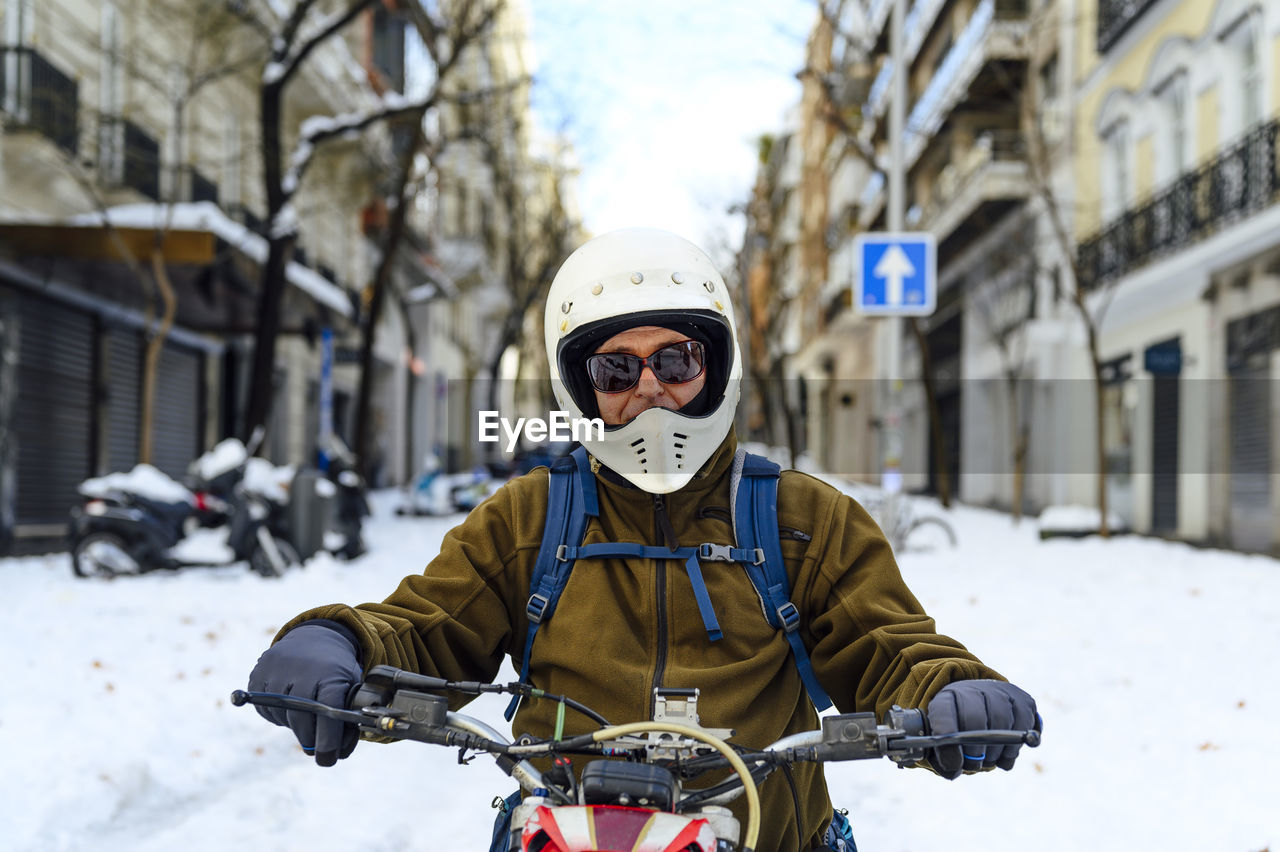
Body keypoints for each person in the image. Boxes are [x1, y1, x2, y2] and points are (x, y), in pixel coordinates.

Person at [247, 228, 1039, 851]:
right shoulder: (528, 518)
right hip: (562, 834)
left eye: (676, 358)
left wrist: (949, 690)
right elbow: (425, 628)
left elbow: (890, 644)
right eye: (616, 370)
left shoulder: (806, 520)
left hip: (769, 837)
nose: (651, 389)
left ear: (716, 363)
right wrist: (336, 640)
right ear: (579, 386)